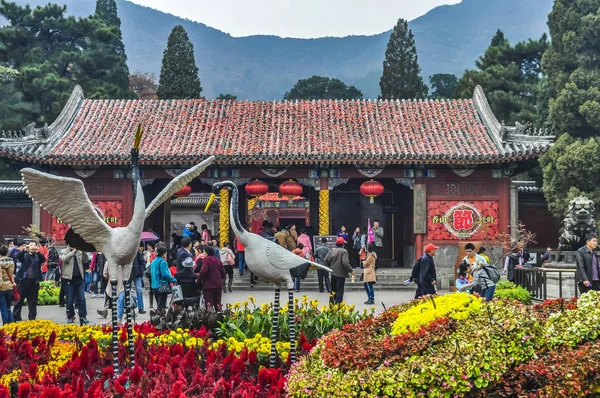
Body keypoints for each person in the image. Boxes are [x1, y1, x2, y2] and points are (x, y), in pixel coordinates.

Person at [13, 242, 46, 322]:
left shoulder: (37, 256)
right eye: (30, 246)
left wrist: (37, 252)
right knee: (19, 299)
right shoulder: (24, 255)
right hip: (23, 280)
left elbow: (43, 259)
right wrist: (25, 250)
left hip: (33, 281)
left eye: (33, 246)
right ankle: (16, 317)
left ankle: (32, 317)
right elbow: (18, 257)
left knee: (32, 301)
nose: (32, 247)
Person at [60, 246, 90, 325]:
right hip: (68, 279)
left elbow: (86, 260)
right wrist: (73, 252)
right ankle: (70, 316)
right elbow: (64, 259)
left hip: (79, 278)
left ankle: (83, 316)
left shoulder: (79, 252)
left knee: (81, 299)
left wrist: (84, 251)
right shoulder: (64, 251)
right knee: (69, 300)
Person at [324, 237, 352, 304]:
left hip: (333, 273)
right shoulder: (344, 251)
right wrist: (350, 270)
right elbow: (345, 262)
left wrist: (330, 267)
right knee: (340, 290)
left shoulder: (332, 250)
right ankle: (338, 305)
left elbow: (325, 260)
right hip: (341, 274)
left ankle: (331, 305)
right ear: (343, 244)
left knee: (333, 290)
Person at [0, 245, 16, 324]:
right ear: (7, 252)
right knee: (9, 307)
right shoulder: (11, 261)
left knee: (3, 308)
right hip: (10, 286)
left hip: (2, 287)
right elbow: (12, 272)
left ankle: (5, 325)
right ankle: (11, 324)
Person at [132, 245, 147, 314]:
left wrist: (141, 270)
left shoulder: (137, 252)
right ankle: (127, 307)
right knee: (125, 291)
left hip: (137, 273)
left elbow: (142, 262)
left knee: (139, 291)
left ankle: (141, 308)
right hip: (128, 274)